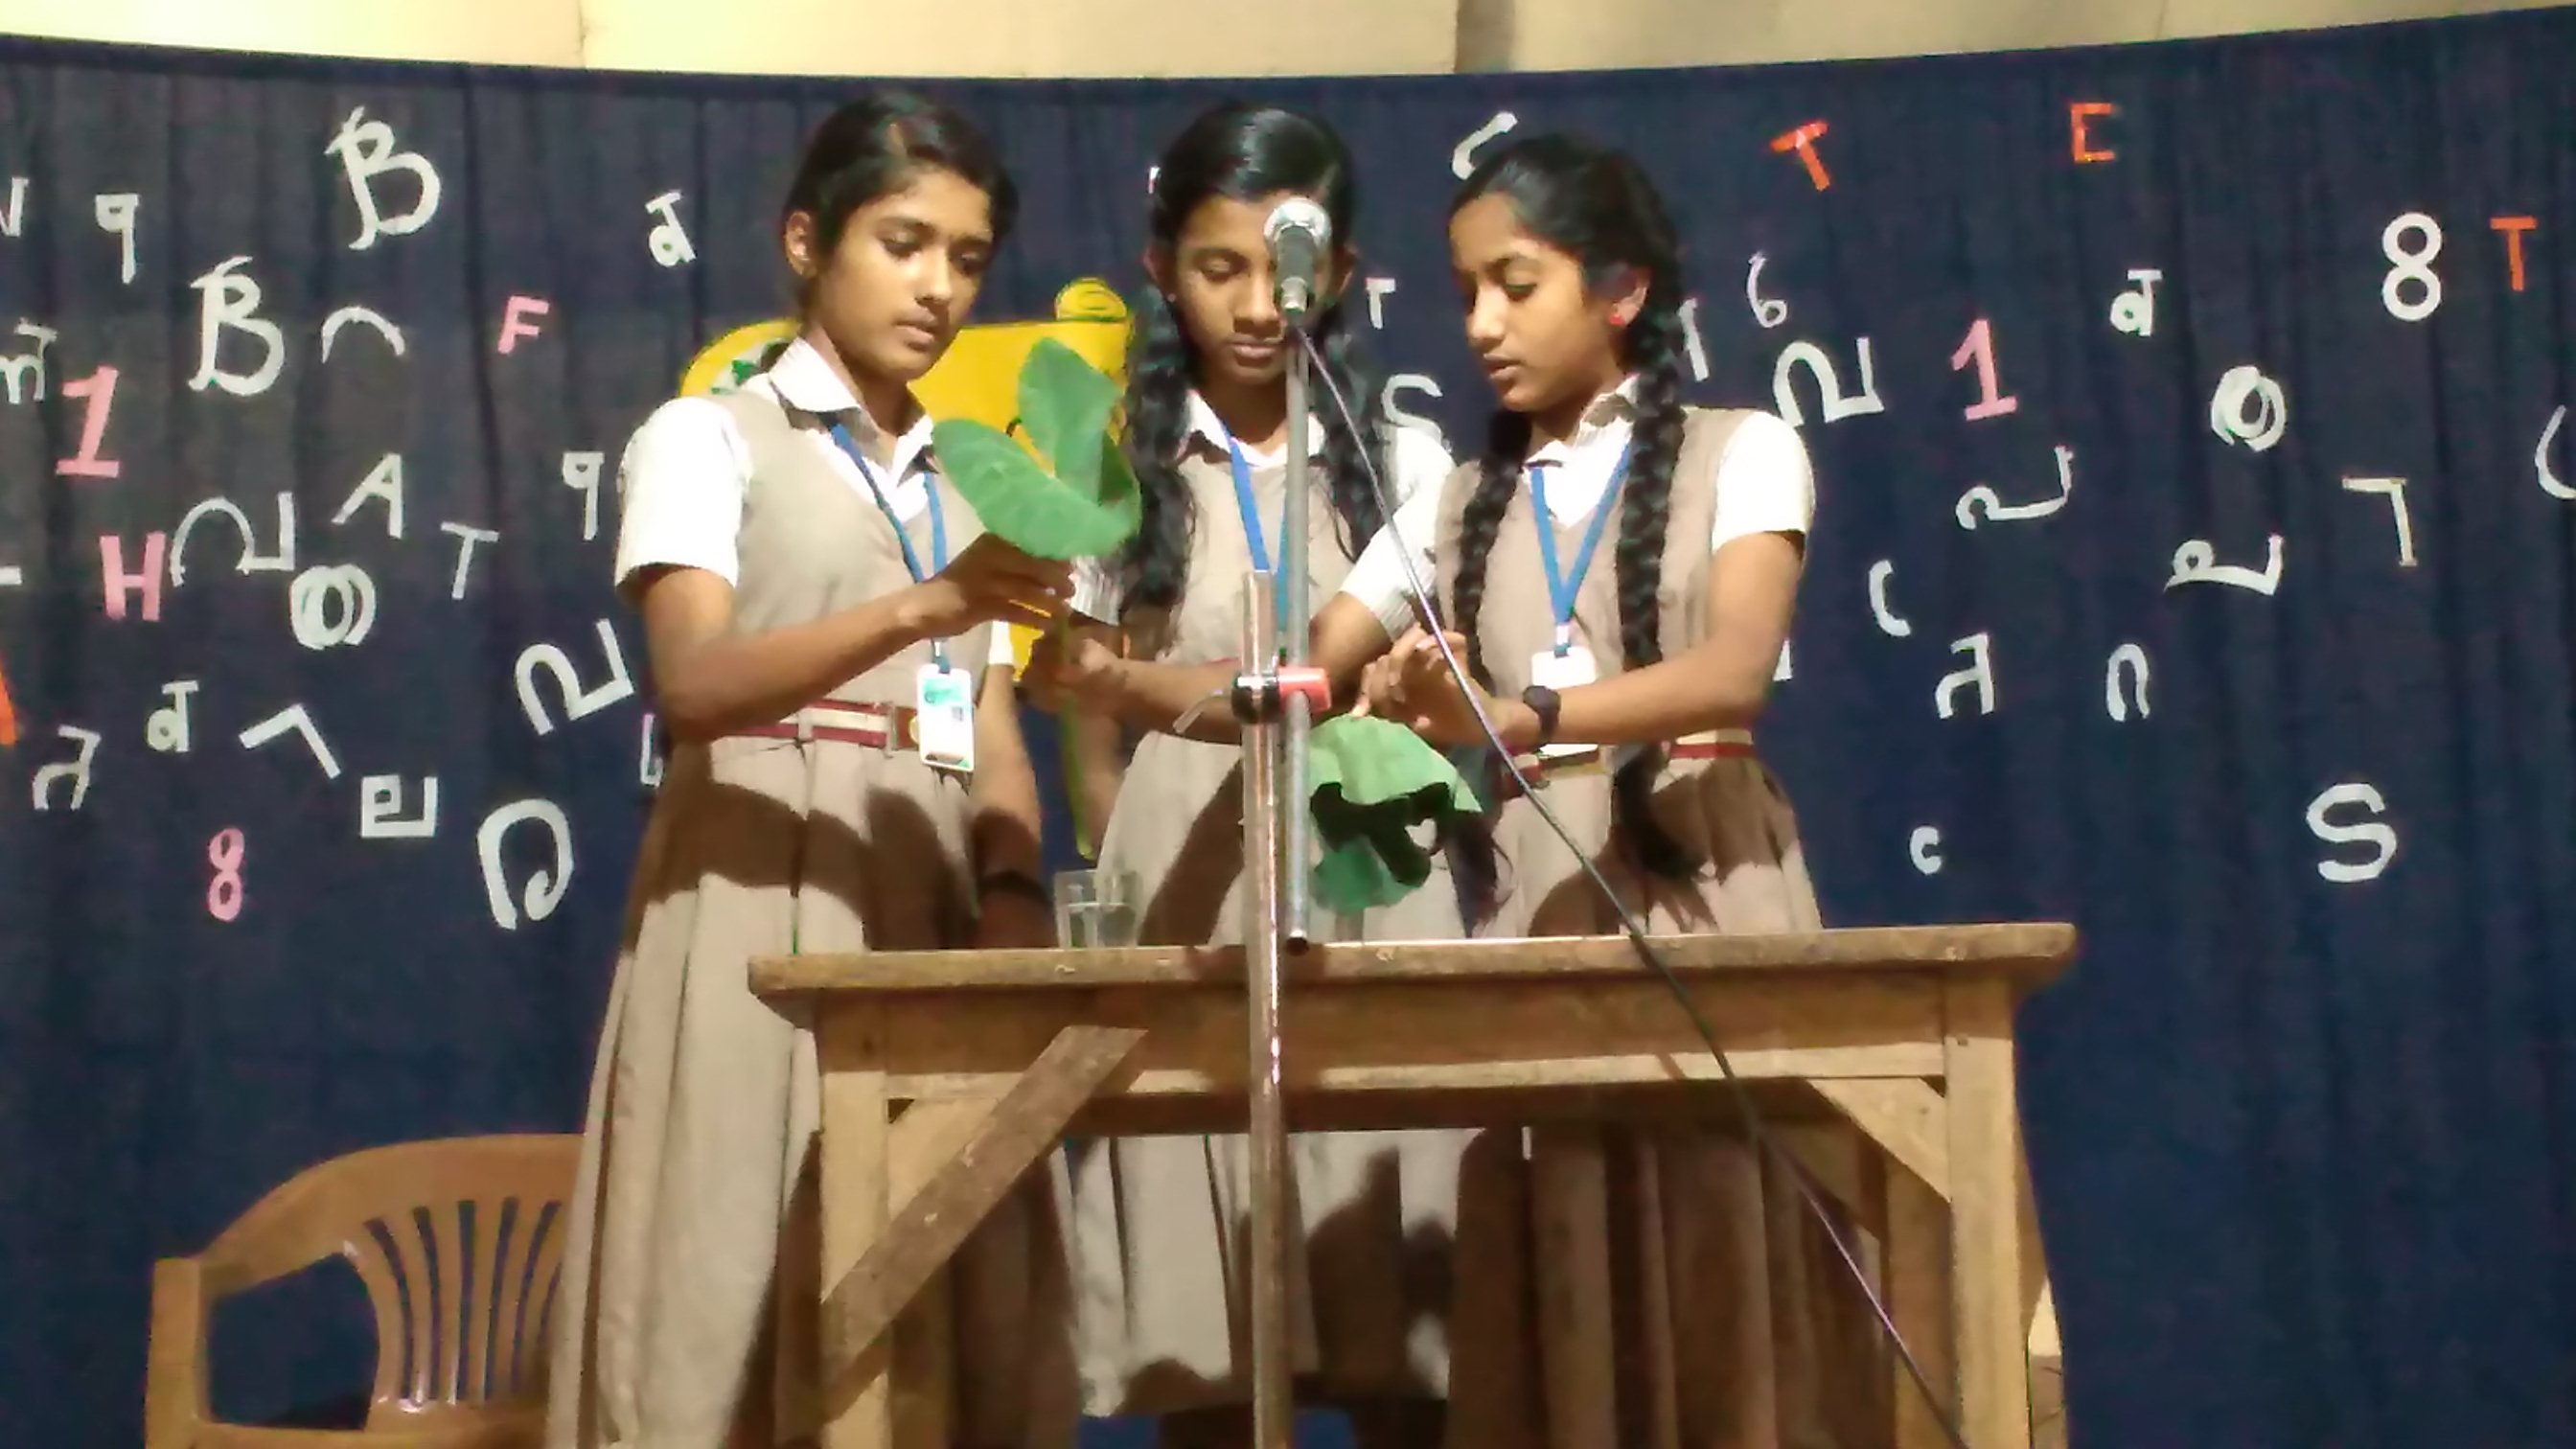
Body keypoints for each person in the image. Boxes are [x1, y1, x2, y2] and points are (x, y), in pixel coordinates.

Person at [546, 90, 1082, 1449]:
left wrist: (1013, 891)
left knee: (941, 1295)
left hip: (927, 899)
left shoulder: (969, 482)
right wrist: (922, 605)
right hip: (759, 890)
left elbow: (988, 721)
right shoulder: (709, 435)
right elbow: (694, 686)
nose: (939, 286)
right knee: (727, 1268)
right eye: (905, 244)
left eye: (967, 258)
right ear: (807, 243)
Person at [1327, 131, 1879, 1446]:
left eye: (1516, 285)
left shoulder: (1744, 449)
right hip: (1538, 889)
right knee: (1566, 1242)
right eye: (1467, 291)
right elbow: (1313, 661)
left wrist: (1524, 716)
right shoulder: (1455, 499)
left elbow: (1734, 670)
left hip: (1704, 870)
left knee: (1724, 1230)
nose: (1483, 322)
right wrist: (1387, 695)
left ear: (1622, 289)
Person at [1021, 101, 1470, 1449]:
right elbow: (1076, 691)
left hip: (1370, 867)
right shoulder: (1111, 467)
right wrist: (1120, 831)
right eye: (1220, 269)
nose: (1260, 307)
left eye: (1287, 271)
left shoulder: (1405, 460)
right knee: (1207, 1313)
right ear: (1164, 272)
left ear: (1340, 272)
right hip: (1185, 875)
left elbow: (1368, 673)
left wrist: (1150, 688)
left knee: (1398, 1284)